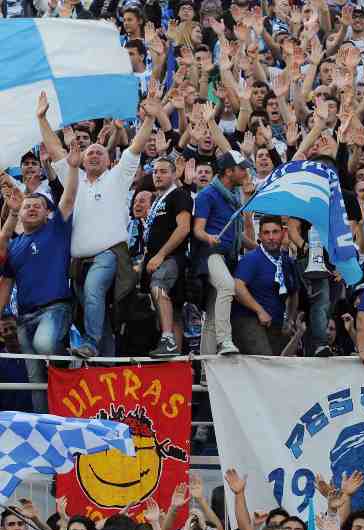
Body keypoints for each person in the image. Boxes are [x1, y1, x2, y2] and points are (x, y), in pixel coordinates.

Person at [38, 90, 155, 358]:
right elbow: (56, 150)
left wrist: (148, 119)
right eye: (89, 152)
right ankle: (106, 366)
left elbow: (136, 146)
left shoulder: (117, 178)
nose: (92, 155)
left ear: (109, 160)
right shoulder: (73, 178)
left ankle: (89, 343)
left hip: (108, 255)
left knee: (93, 291)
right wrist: (41, 119)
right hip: (78, 262)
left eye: (99, 153)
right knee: (96, 313)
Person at [0, 139, 80, 413]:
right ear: (19, 213)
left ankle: (65, 367)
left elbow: (68, 198)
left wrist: (71, 168)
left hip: (55, 309)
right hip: (23, 317)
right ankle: (42, 422)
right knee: (34, 378)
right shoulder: (15, 245)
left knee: (44, 344)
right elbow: (6, 285)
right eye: (27, 206)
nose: (31, 207)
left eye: (38, 205)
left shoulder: (56, 229)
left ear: (48, 212)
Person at [193, 150, 250, 356]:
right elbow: (198, 229)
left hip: (228, 257)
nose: (245, 172)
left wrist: (256, 247)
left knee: (210, 317)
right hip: (210, 254)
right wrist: (208, 237)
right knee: (228, 285)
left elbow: (237, 235)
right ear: (228, 171)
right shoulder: (207, 195)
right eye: (241, 168)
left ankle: (206, 373)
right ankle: (225, 341)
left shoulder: (234, 196)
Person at [144, 158, 193, 357]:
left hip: (172, 258)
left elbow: (184, 228)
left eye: (164, 171)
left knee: (158, 285)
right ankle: (176, 360)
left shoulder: (179, 194)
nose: (158, 175)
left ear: (174, 175)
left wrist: (161, 255)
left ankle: (167, 338)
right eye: (155, 171)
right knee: (175, 310)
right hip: (157, 259)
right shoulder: (158, 200)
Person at [232, 215, 299, 355]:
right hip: (249, 320)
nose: (271, 237)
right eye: (266, 233)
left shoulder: (288, 261)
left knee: (277, 368)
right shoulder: (252, 259)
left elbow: (294, 292)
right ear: (260, 236)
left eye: (275, 232)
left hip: (276, 324)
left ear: (283, 233)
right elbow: (237, 286)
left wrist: (290, 319)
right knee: (265, 362)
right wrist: (259, 311)